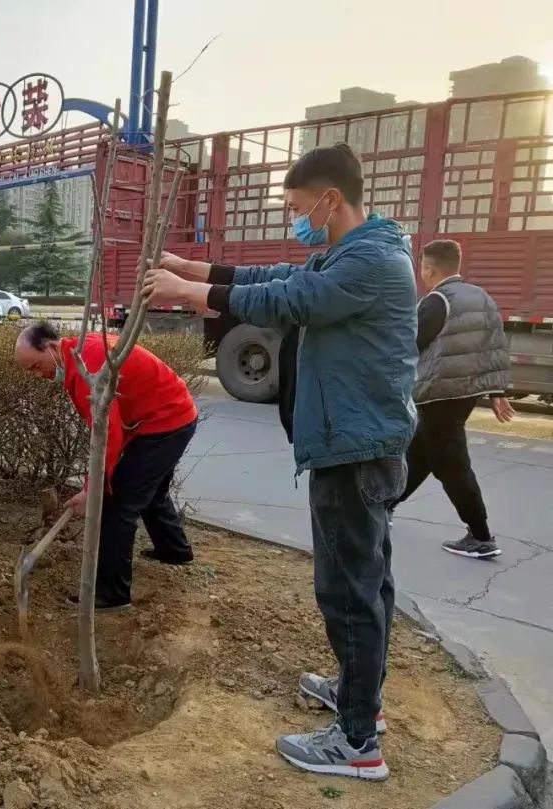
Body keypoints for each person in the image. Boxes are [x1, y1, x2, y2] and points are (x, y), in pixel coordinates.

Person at [144, 143, 417, 781]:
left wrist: (191, 292)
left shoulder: (370, 262)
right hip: (358, 442)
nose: (296, 220)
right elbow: (278, 279)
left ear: (329, 199)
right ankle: (360, 702)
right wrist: (197, 267)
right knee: (365, 583)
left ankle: (357, 746)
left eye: (298, 207)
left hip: (355, 449)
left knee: (349, 592)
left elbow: (291, 302)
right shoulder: (358, 252)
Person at [14, 322, 199, 610]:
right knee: (149, 491)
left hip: (166, 422)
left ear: (50, 347)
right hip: (167, 415)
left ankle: (112, 594)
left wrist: (92, 491)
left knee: (118, 506)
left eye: (35, 366)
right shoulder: (79, 354)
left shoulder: (89, 368)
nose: (37, 376)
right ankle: (175, 551)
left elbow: (107, 435)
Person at [393, 239, 513, 559]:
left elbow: (409, 344)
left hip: (439, 393)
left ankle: (481, 535)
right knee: (421, 451)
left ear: (429, 269)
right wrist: (497, 391)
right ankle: (384, 507)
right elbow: (495, 347)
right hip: (466, 393)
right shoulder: (481, 297)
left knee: (451, 463)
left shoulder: (436, 301)